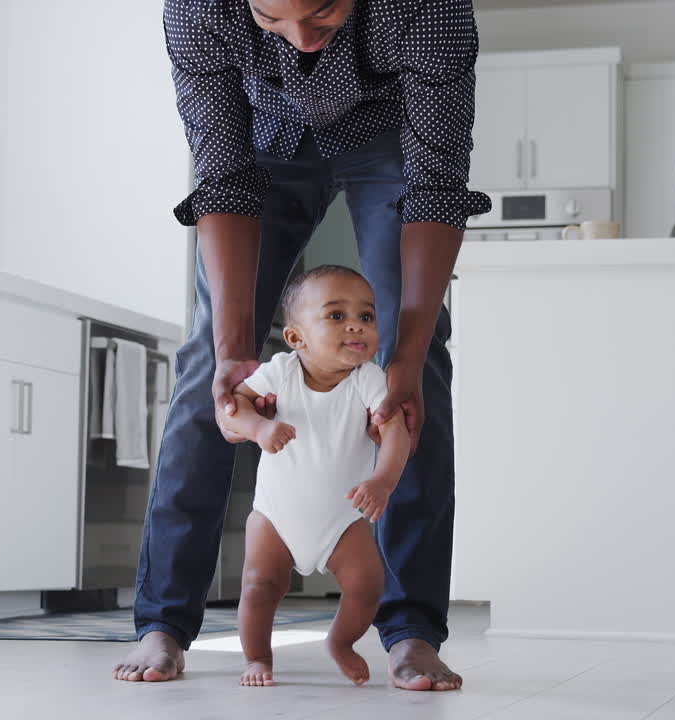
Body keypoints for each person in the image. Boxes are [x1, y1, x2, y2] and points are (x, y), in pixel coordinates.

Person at [112, 0, 490, 691]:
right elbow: (221, 175)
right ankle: (163, 623)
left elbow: (436, 186)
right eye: (271, 17)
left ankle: (411, 633)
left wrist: (401, 355)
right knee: (211, 364)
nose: (301, 40)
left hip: (391, 140)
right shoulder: (197, 8)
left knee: (416, 358)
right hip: (261, 142)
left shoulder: (428, 7)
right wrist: (234, 353)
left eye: (322, 12)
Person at [219, 266, 410, 687]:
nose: (357, 325)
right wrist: (259, 428)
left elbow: (397, 433)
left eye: (367, 316)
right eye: (337, 316)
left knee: (367, 585)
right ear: (296, 338)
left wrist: (382, 481)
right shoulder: (281, 371)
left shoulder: (368, 379)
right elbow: (233, 404)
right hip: (276, 514)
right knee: (259, 585)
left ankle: (341, 642)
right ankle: (256, 657)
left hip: (340, 518)